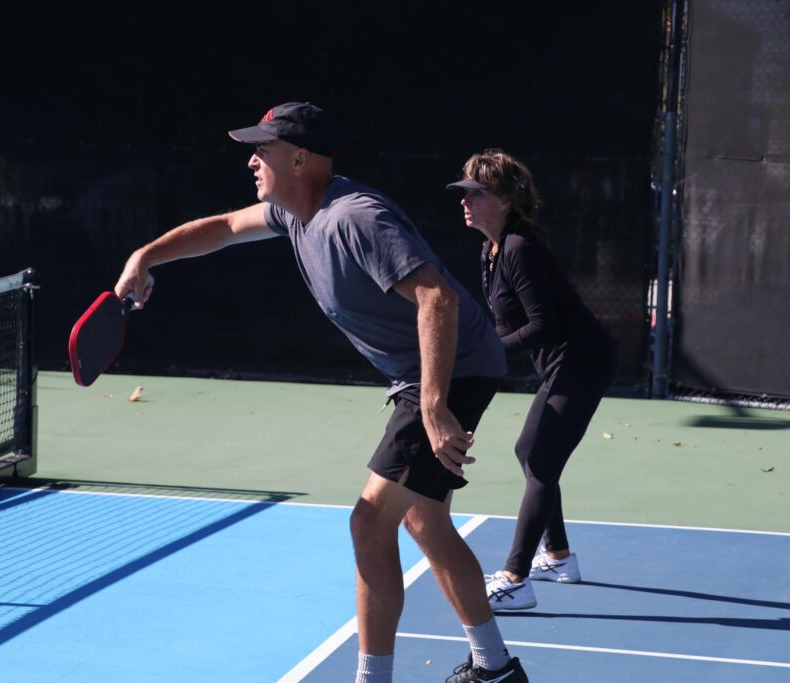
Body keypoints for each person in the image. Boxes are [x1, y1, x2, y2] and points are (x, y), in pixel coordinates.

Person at [113, 104, 528, 683]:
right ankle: (495, 668)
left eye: (264, 149)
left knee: (369, 522)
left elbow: (438, 298)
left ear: (300, 159)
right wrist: (146, 255)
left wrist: (434, 407)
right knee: (423, 521)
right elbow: (225, 228)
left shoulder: (355, 217)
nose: (252, 161)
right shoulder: (293, 213)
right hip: (436, 369)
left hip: (452, 369)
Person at [447, 149, 619, 611]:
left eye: (476, 193)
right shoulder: (491, 249)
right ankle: (559, 557)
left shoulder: (520, 248)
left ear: (505, 200)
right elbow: (505, 326)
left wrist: (485, 351)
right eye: (464, 192)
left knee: (540, 459)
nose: (465, 201)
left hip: (583, 359)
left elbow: (541, 325)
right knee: (531, 452)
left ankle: (515, 579)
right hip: (562, 363)